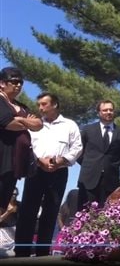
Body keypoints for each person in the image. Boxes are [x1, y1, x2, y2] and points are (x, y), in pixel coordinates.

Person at [14, 92, 82, 258]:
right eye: (39, 105)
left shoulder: (70, 125)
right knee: (28, 211)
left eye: (44, 104)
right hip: (35, 171)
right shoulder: (35, 124)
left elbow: (77, 147)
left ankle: (43, 252)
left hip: (59, 172)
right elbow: (27, 147)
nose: (40, 108)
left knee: (51, 211)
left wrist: (62, 160)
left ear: (55, 105)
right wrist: (39, 161)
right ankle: (21, 251)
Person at [0, 67, 42, 212]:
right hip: (2, 158)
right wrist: (25, 121)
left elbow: (38, 124)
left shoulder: (21, 106)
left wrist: (20, 119)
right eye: (14, 81)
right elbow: (8, 123)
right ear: (2, 83)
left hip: (14, 163)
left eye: (21, 82)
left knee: (2, 206)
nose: (18, 85)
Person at [77, 100, 120, 210]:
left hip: (110, 181)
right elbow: (78, 152)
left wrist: (110, 165)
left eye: (111, 110)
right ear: (99, 112)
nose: (108, 112)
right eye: (105, 110)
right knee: (84, 214)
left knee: (107, 215)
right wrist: (90, 165)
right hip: (88, 180)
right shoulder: (87, 130)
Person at [0, 188, 19, 257]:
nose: (14, 196)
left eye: (16, 194)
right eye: (12, 194)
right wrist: (8, 212)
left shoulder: (18, 205)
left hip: (14, 238)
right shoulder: (2, 205)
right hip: (4, 236)